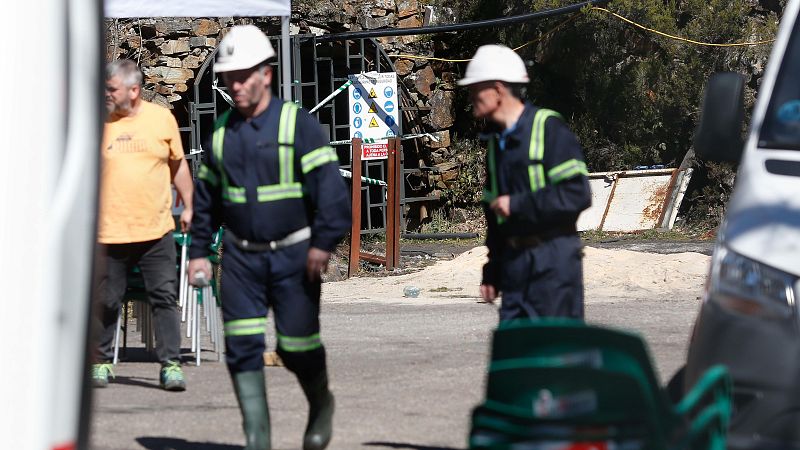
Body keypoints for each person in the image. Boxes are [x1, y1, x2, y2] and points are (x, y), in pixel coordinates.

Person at [187, 25, 351, 450]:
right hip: (241, 259)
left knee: (297, 347)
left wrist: (322, 244)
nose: (235, 85)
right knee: (241, 347)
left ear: (267, 75)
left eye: (243, 75)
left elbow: (333, 194)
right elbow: (206, 202)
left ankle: (321, 405)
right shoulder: (221, 134)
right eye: (228, 77)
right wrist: (199, 253)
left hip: (295, 255)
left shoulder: (299, 125)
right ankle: (257, 439)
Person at [457, 45, 592, 321]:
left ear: (497, 89)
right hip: (515, 264)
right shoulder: (497, 144)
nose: (471, 96)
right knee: (516, 355)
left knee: (553, 357)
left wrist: (517, 204)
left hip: (553, 264)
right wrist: (492, 270)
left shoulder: (548, 128)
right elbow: (494, 219)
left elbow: (577, 194)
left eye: (476, 88)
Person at [92, 59, 193, 390]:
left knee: (163, 296)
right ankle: (101, 362)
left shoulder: (161, 119)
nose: (106, 94)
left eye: (112, 89)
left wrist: (190, 204)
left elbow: (177, 166)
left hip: (155, 229)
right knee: (106, 300)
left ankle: (171, 365)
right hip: (109, 231)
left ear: (134, 91)